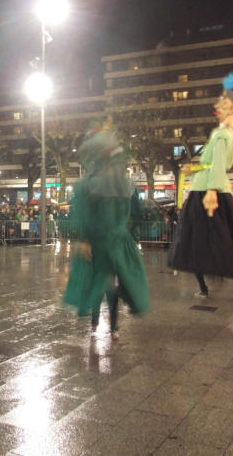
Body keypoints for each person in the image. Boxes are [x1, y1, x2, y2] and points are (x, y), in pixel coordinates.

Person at [63, 121, 150, 339]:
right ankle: (113, 327)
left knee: (99, 281)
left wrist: (84, 239)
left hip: (99, 242)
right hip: (119, 240)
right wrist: (127, 231)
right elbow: (138, 213)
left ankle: (98, 323)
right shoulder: (124, 183)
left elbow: (84, 215)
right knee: (112, 282)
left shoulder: (88, 185)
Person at [169, 73, 233, 297]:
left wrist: (211, 191)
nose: (217, 106)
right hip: (207, 186)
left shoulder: (222, 135)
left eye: (223, 103)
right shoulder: (223, 134)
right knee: (210, 237)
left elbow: (217, 165)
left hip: (206, 190)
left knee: (198, 238)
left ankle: (211, 273)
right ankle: (212, 274)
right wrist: (193, 169)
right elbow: (214, 164)